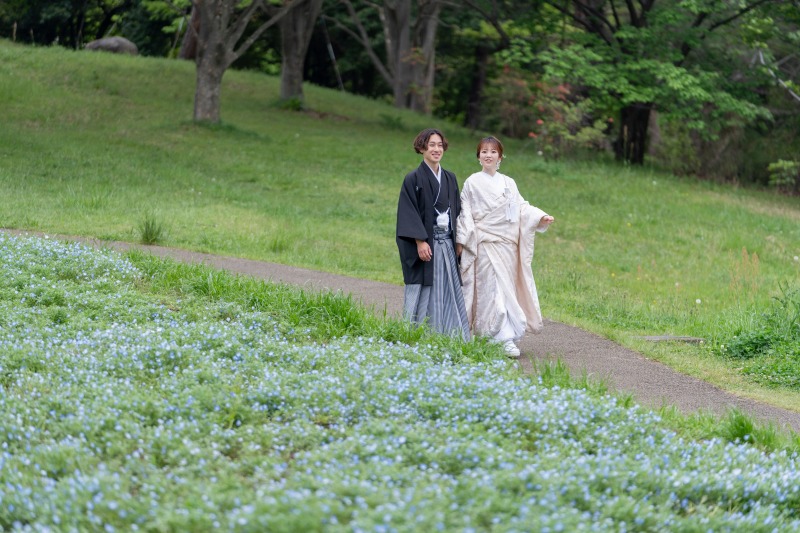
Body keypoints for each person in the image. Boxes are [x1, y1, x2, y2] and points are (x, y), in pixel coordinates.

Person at [456, 136, 554, 357]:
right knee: (491, 292)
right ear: (478, 156)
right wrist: (462, 241)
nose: (488, 155)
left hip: (507, 246)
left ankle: (507, 337)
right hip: (485, 245)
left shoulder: (509, 183)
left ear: (500, 156)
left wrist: (540, 217)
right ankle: (492, 336)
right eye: (483, 151)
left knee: (507, 291)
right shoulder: (472, 182)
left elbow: (521, 208)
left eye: (492, 151)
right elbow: (466, 213)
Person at [396, 128, 471, 341]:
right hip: (427, 244)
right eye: (431, 145)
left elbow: (457, 210)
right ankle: (420, 334)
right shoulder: (413, 178)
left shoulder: (450, 178)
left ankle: (450, 334)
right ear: (421, 148)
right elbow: (408, 212)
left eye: (439, 145)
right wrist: (420, 241)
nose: (436, 149)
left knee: (448, 288)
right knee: (425, 288)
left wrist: (458, 239)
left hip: (446, 243)